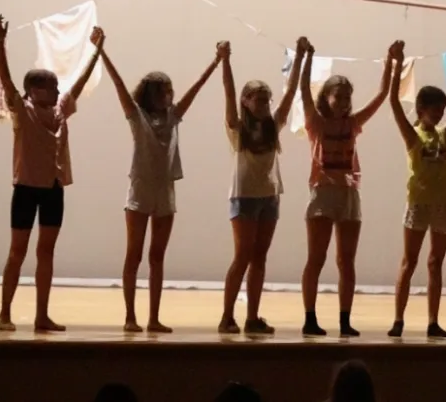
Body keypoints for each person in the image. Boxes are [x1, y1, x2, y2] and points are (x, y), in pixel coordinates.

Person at [100, 36, 220, 333]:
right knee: (134, 255)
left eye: (171, 91)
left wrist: (216, 62)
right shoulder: (137, 116)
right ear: (151, 94)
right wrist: (101, 50)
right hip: (140, 192)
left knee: (157, 257)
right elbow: (118, 86)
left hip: (165, 192)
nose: (169, 96)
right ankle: (130, 316)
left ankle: (153, 317)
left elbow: (197, 89)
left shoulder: (173, 116)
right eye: (164, 92)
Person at [0, 15, 102, 332]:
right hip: (26, 188)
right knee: (18, 251)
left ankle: (42, 316)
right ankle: (5, 312)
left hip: (54, 188)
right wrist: (0, 42)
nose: (58, 91)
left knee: (46, 251)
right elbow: (5, 79)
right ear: (33, 91)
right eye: (51, 86)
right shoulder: (22, 110)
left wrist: (96, 51)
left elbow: (79, 86)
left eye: (57, 86)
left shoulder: (60, 111)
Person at [299, 40, 393, 337]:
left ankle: (344, 320)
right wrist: (306, 57)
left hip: (350, 195)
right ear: (326, 97)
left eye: (346, 97)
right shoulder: (316, 122)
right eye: (338, 96)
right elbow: (303, 92)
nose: (343, 102)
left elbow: (381, 96)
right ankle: (310, 318)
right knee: (317, 258)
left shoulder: (353, 124)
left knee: (346, 261)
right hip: (323, 196)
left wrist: (392, 60)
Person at [386, 43, 446, 338]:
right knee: (409, 261)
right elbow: (394, 103)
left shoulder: (445, 133)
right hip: (419, 204)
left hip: (444, 205)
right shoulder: (413, 135)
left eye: (442, 110)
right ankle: (398, 320)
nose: (440, 115)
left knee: (435, 262)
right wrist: (396, 65)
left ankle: (432, 321)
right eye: (435, 110)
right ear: (423, 109)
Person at [218, 37, 303, 335]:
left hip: (269, 197)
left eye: (266, 99)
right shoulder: (238, 129)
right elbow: (229, 94)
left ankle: (252, 316)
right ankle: (227, 316)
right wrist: (224, 60)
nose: (264, 104)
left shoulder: (273, 126)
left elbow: (290, 93)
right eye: (258, 99)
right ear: (246, 102)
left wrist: (301, 56)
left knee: (259, 258)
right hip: (244, 198)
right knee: (242, 256)